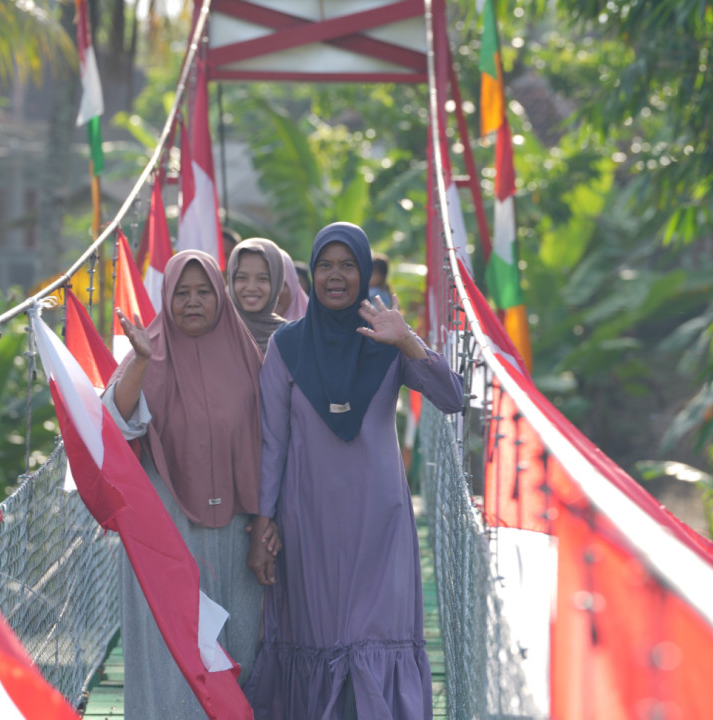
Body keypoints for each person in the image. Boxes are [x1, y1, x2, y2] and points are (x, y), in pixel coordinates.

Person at [244, 222, 464, 719]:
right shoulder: (287, 346)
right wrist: (263, 522)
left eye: (347, 265)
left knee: (375, 637)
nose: (335, 276)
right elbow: (272, 442)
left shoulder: (387, 337)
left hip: (380, 522)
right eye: (325, 265)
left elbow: (452, 400)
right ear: (311, 274)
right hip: (307, 519)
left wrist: (408, 341)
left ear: (364, 272)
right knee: (317, 638)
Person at [105, 249, 280, 718]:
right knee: (172, 643)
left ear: (220, 297)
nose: (193, 301)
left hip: (239, 531)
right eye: (181, 293)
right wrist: (140, 361)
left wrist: (269, 519)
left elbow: (275, 440)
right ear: (167, 298)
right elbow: (113, 425)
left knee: (239, 640)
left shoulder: (250, 357)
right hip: (168, 531)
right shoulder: (149, 351)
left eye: (204, 291)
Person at [228, 237, 287, 354]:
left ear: (277, 282)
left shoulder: (290, 337)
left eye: (263, 279)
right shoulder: (217, 331)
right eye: (242, 278)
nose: (251, 288)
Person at [275, 247, 309, 321]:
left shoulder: (312, 327)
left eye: (281, 284)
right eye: (263, 280)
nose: (273, 292)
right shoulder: (245, 328)